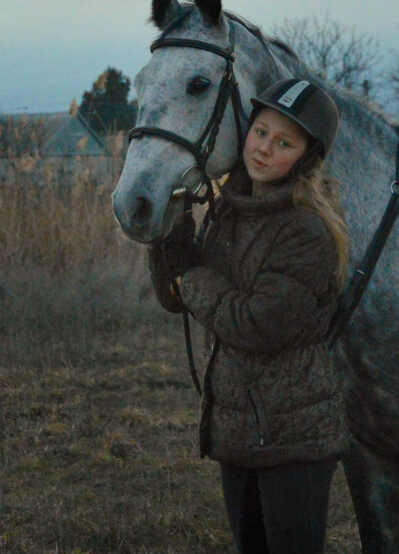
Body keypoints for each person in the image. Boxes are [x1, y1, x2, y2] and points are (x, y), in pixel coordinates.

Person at [148, 77, 350, 554]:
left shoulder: (306, 231)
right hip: (237, 429)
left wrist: (191, 279)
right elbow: (177, 298)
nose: (263, 149)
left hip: (293, 438)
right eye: (260, 132)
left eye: (284, 143)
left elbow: (256, 323)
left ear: (306, 159)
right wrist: (167, 233)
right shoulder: (231, 211)